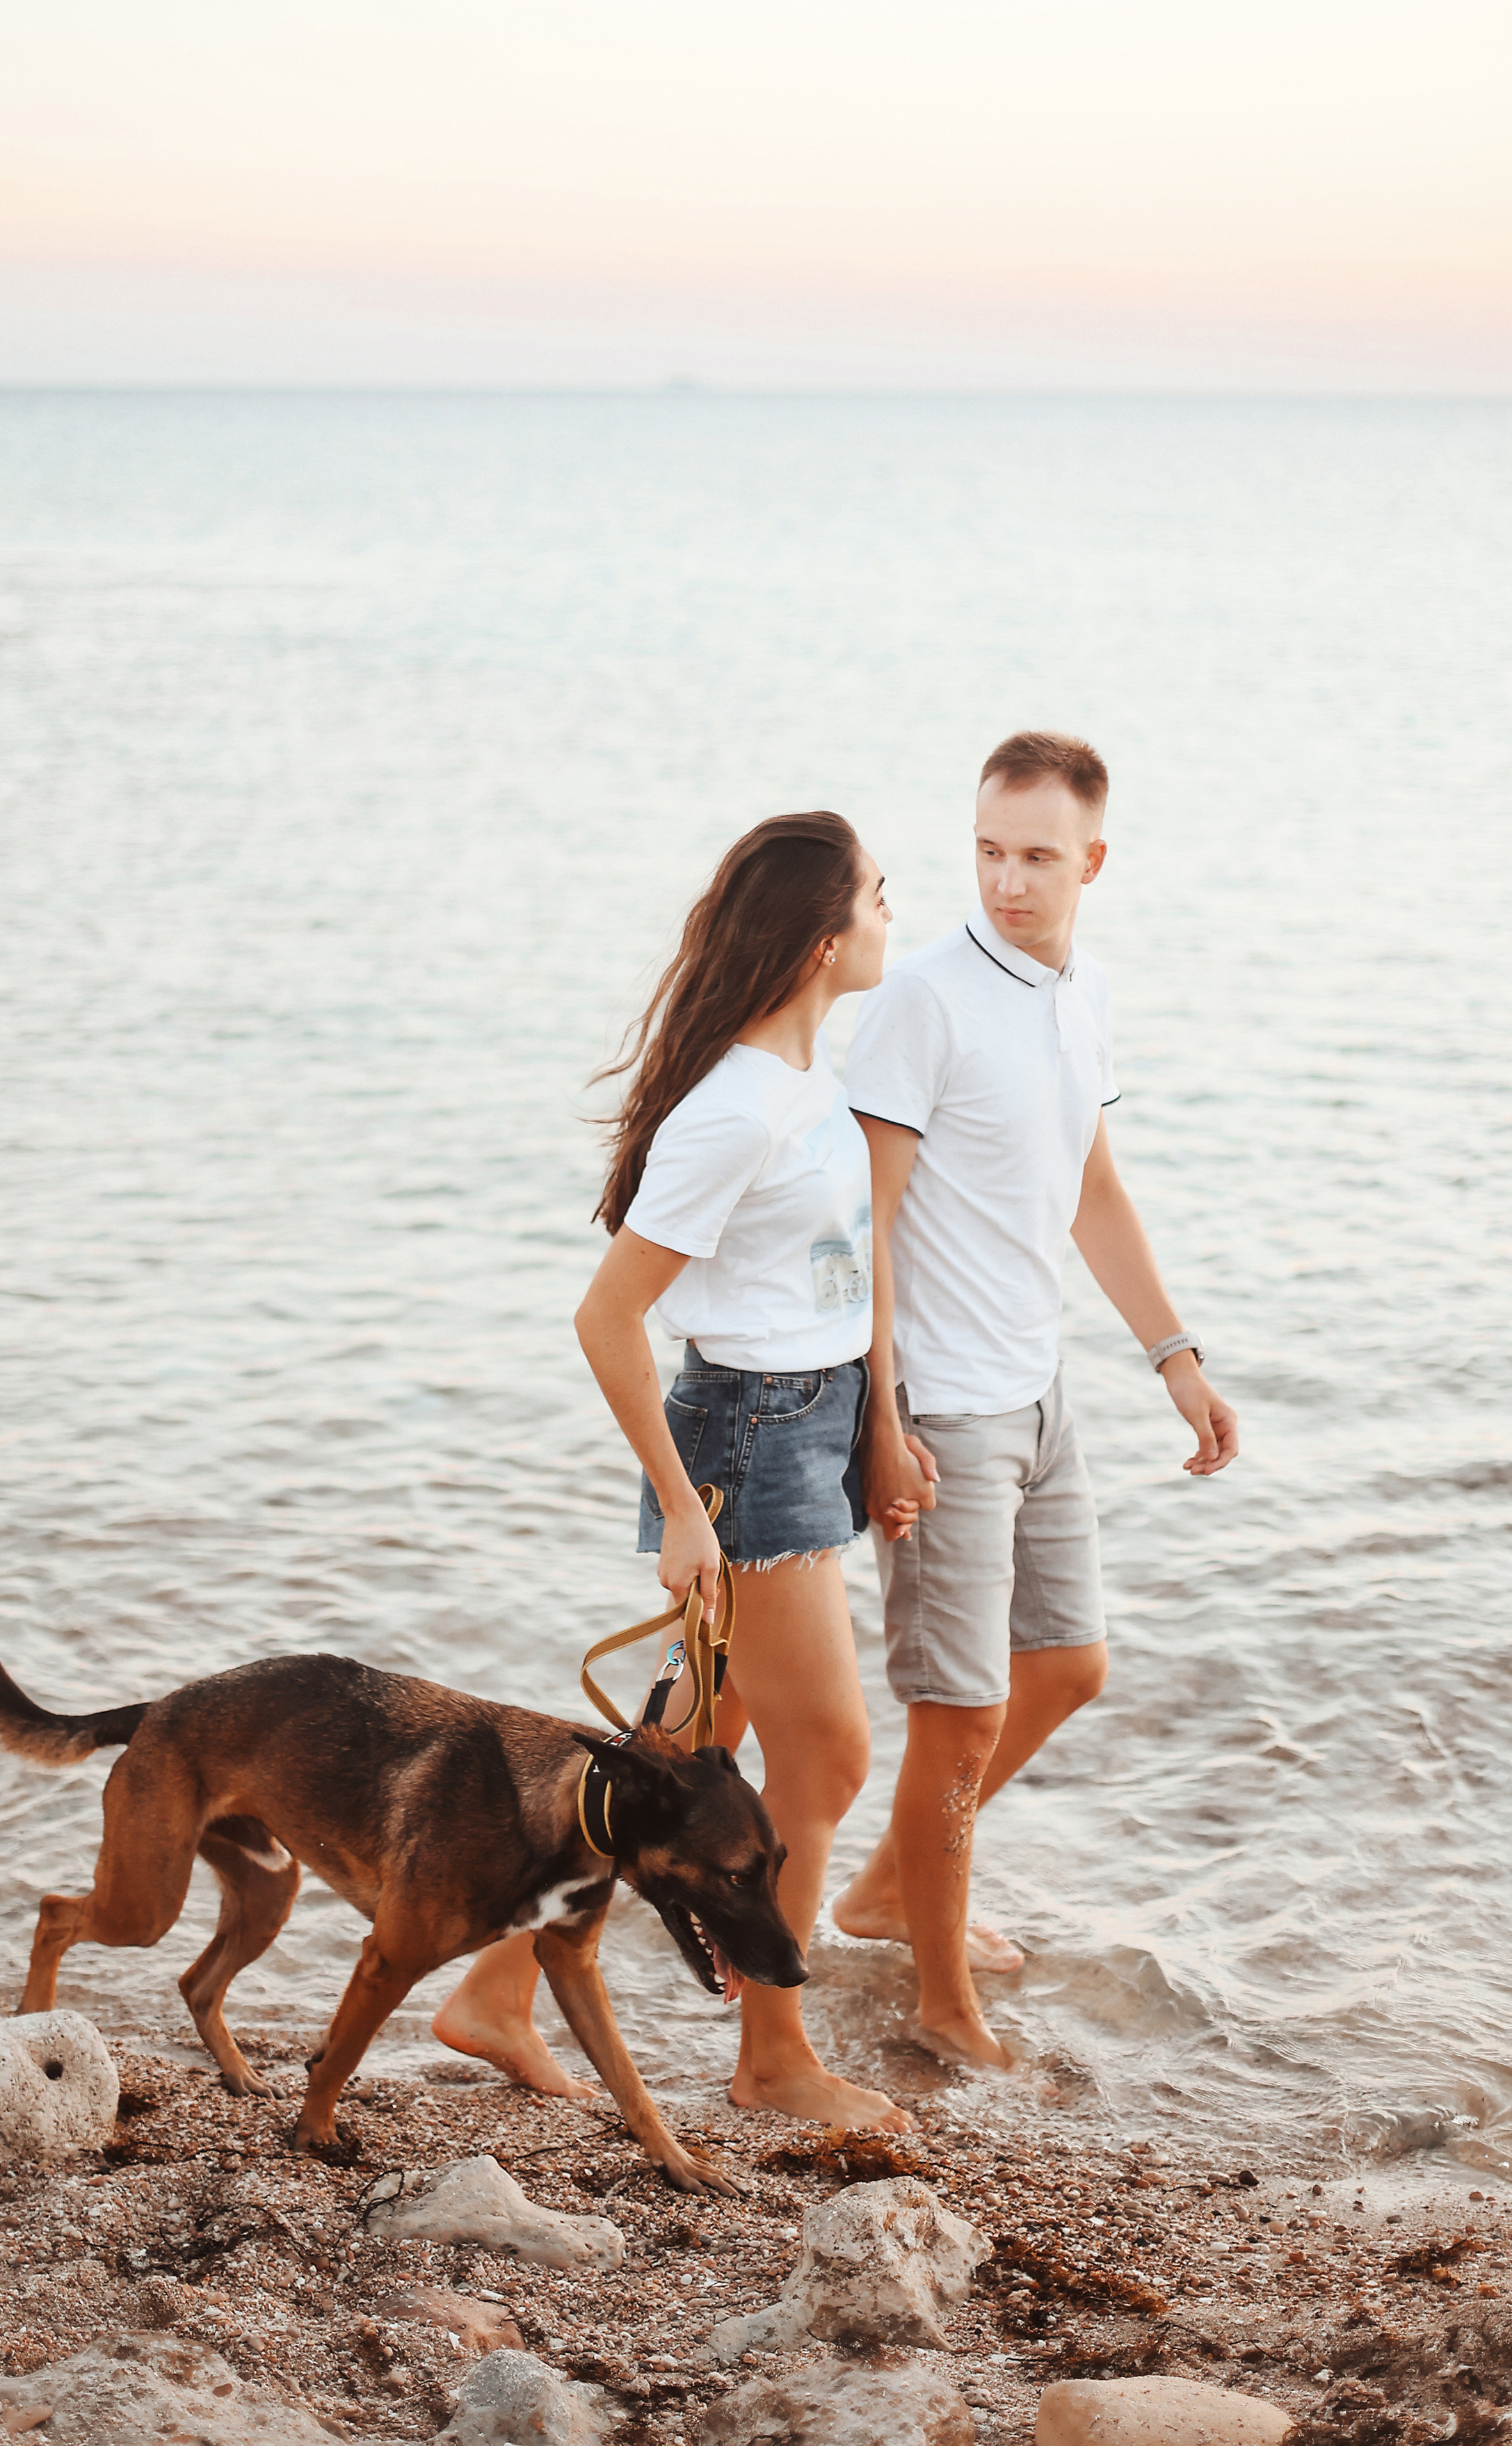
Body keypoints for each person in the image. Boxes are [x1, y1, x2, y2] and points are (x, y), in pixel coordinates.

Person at [433, 811, 910, 2132]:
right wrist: (690, 1510)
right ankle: (774, 2060)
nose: (892, 915)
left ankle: (495, 1991)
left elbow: (824, 1280)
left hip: (805, 1426)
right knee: (830, 1759)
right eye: (878, 897)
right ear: (821, 943)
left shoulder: (804, 1078)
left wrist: (877, 1430)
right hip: (746, 1446)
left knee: (676, 1762)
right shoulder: (735, 1110)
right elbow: (608, 1317)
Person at [830, 730, 1239, 2071]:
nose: (1009, 882)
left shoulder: (1082, 992)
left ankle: (887, 1890)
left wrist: (1175, 1357)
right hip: (945, 1410)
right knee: (959, 1719)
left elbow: (1091, 1188)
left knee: (1068, 1668)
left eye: (1039, 858)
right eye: (990, 852)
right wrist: (881, 1420)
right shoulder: (923, 1002)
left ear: (1092, 863)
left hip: (1039, 1387)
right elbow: (863, 1227)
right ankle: (944, 2001)